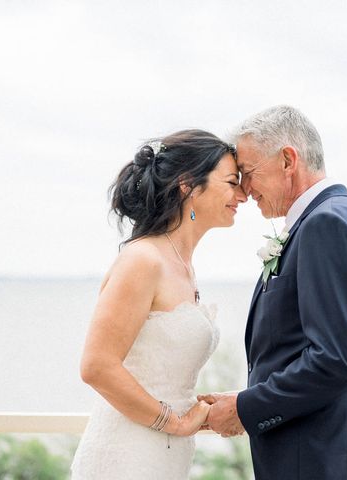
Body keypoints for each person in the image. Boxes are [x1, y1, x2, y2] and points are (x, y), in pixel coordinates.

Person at [199, 106, 347, 479]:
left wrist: (246, 408)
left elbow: (335, 361)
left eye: (248, 172)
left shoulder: (327, 225)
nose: (244, 189)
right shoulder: (342, 217)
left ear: (288, 160)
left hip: (325, 464)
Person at [70, 129, 247, 479]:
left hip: (166, 456)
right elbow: (97, 365)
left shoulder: (183, 265)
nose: (242, 195)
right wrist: (176, 423)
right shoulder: (144, 260)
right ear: (188, 185)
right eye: (231, 182)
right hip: (128, 454)